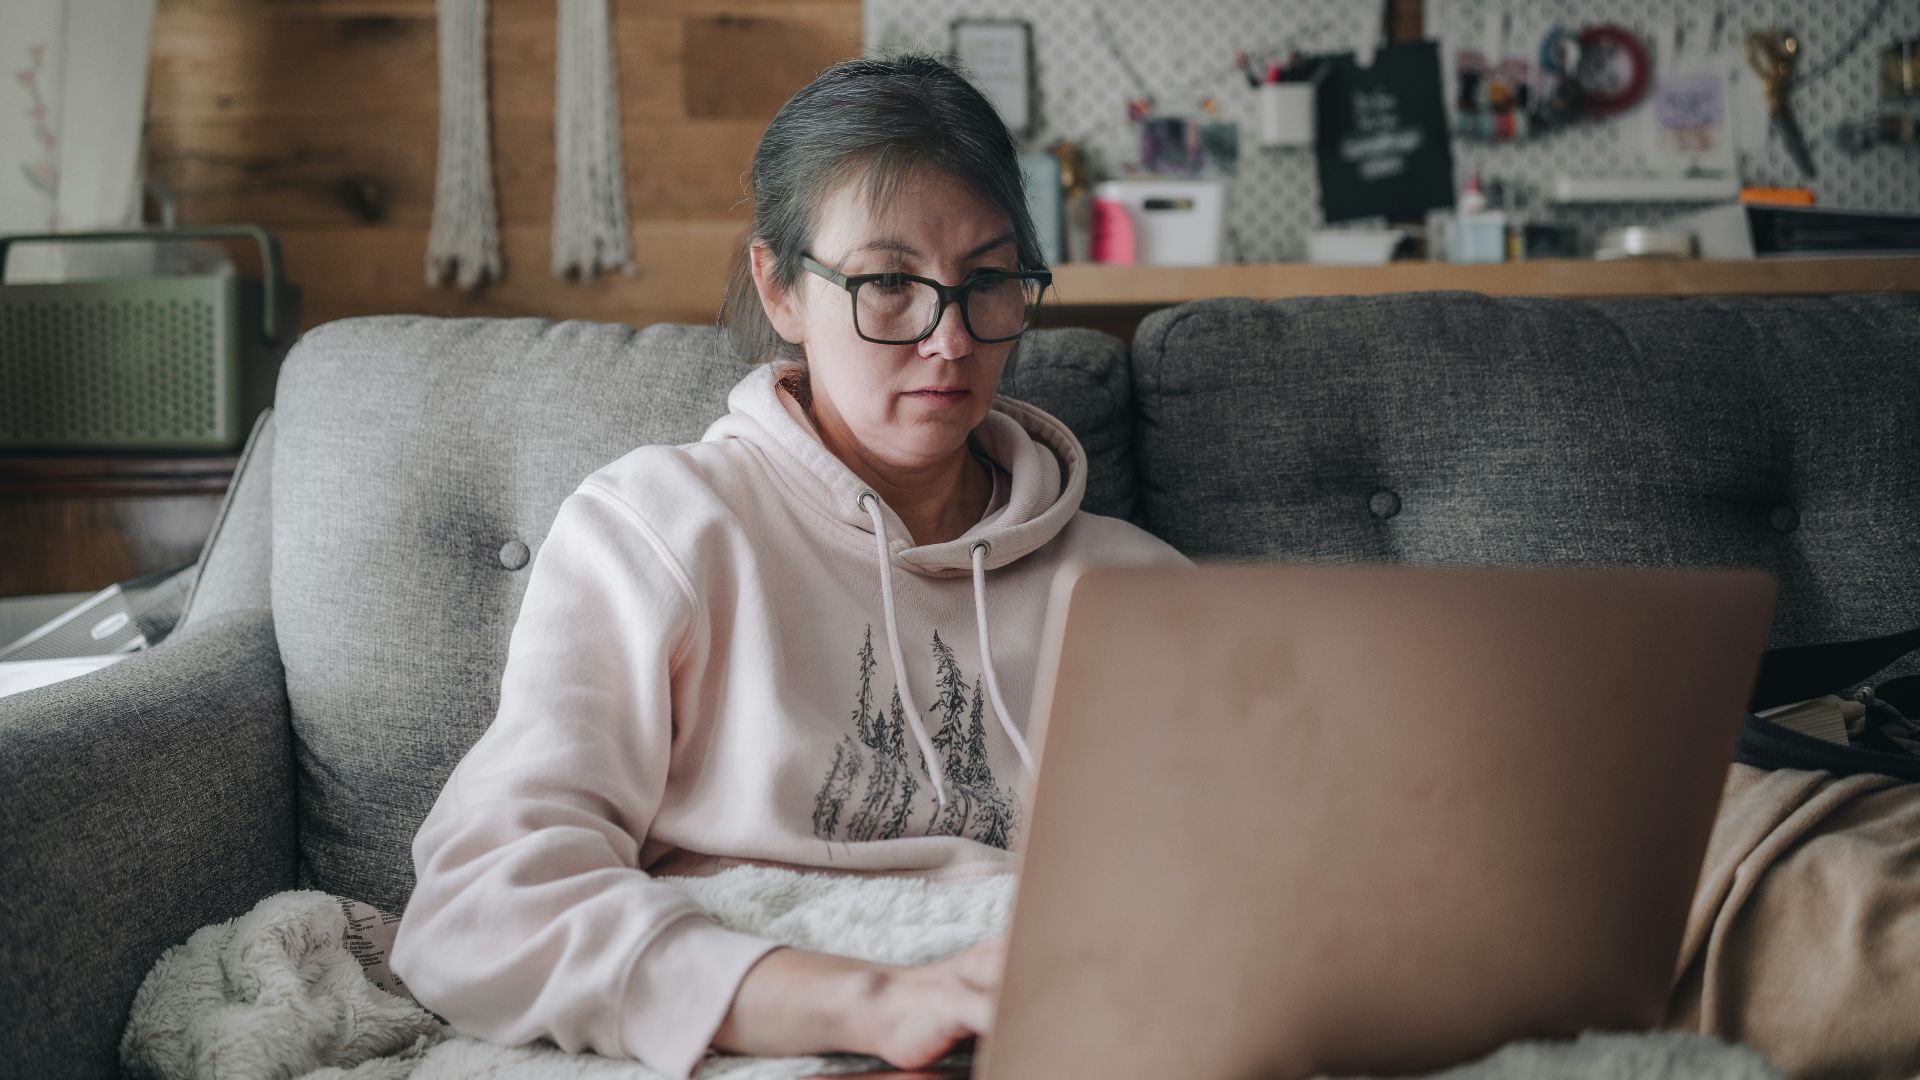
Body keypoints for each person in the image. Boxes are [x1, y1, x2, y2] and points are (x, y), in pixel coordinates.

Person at [388, 51, 1191, 1079]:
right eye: (890, 283)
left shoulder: (1137, 589)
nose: (949, 340)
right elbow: (478, 902)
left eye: (986, 281)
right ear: (779, 288)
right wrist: (868, 1001)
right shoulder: (658, 529)